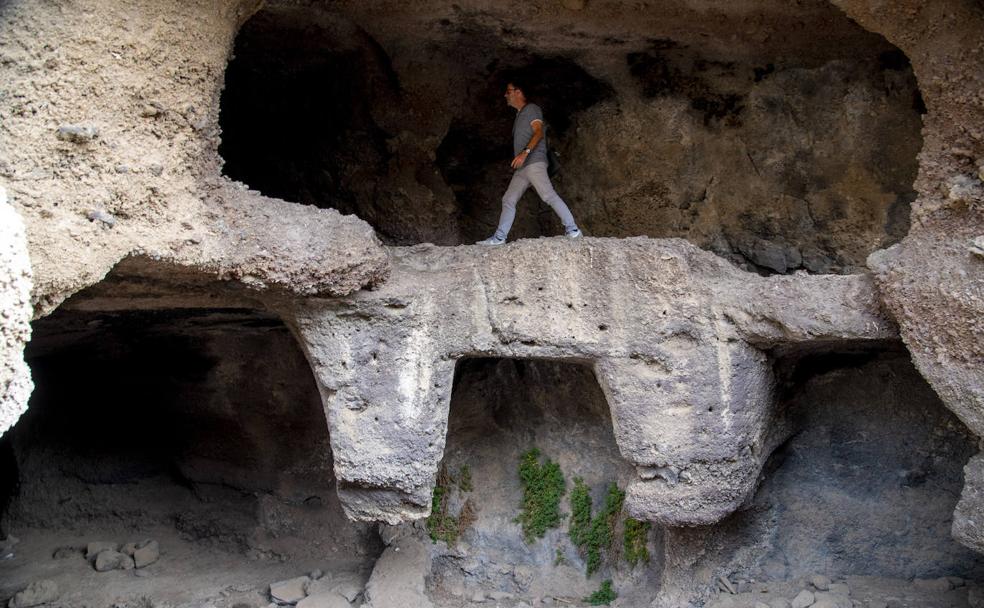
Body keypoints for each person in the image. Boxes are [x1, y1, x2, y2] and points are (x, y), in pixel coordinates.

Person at [476, 81, 582, 245]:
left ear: (518, 92)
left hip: (533, 162)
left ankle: (573, 230)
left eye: (508, 91)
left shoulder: (531, 109)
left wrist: (524, 153)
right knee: (509, 199)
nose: (505, 95)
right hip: (523, 168)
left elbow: (538, 132)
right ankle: (499, 238)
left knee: (548, 195)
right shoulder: (519, 115)